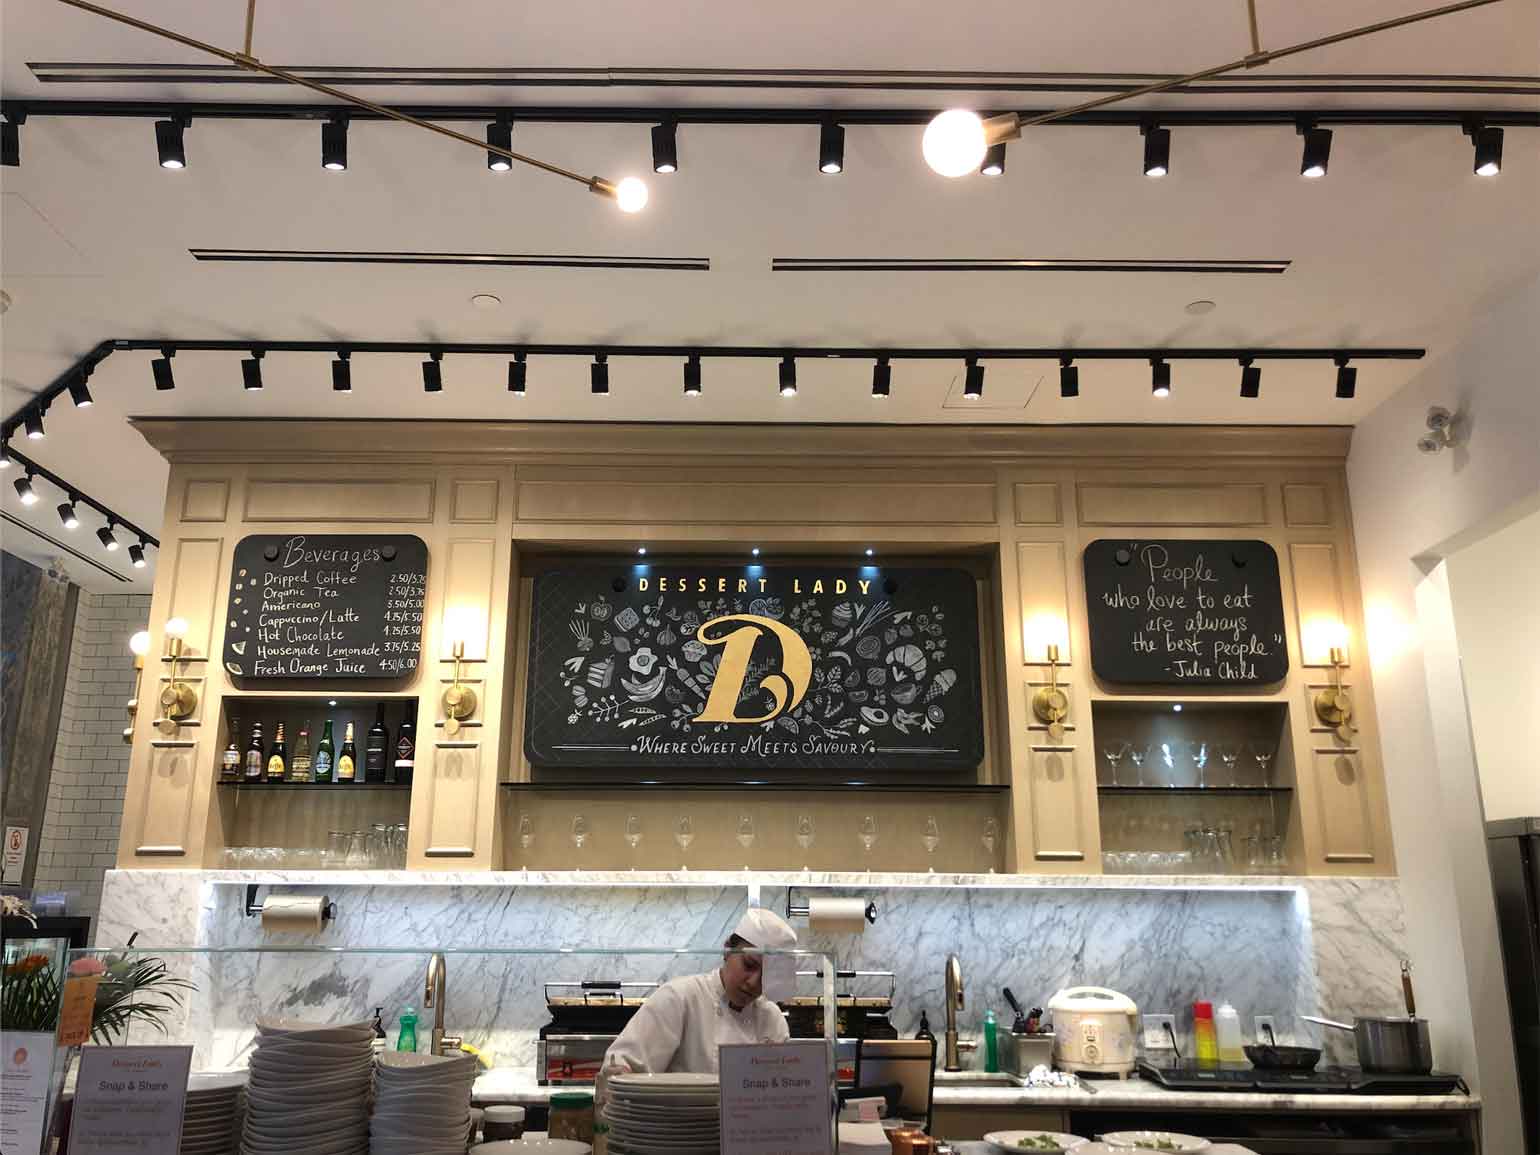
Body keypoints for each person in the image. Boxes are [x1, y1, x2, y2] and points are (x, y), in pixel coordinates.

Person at [601, 907, 798, 1076]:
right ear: (727, 950)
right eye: (749, 965)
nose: (754, 983)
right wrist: (620, 1073)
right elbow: (620, 1067)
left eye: (767, 975)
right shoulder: (678, 998)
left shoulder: (771, 1019)